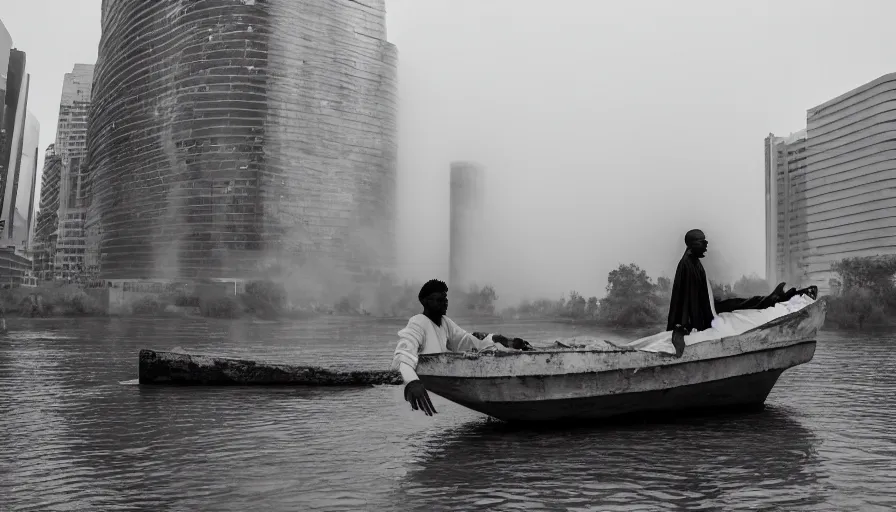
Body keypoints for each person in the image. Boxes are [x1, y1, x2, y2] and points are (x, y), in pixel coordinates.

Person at [391, 279, 532, 416]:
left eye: (446, 299)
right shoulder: (417, 323)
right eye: (439, 300)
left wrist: (500, 340)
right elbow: (402, 355)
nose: (445, 303)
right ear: (425, 301)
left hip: (437, 380)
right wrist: (412, 382)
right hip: (421, 384)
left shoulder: (445, 322)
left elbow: (465, 341)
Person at [667, 229, 817, 357]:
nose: (706, 245)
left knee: (737, 302)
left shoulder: (693, 262)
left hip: (708, 309)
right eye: (702, 242)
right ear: (693, 244)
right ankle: (774, 299)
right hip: (704, 314)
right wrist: (681, 327)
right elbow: (684, 300)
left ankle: (774, 299)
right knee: (737, 305)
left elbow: (698, 296)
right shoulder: (687, 264)